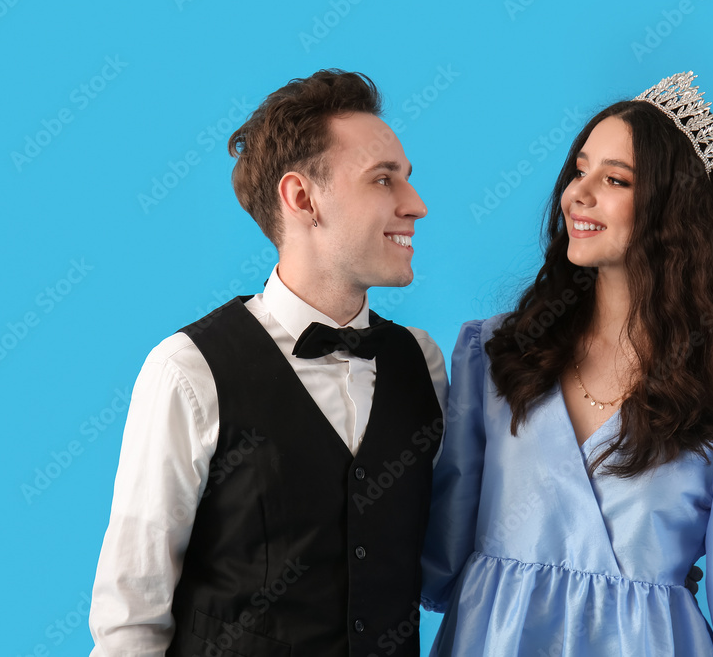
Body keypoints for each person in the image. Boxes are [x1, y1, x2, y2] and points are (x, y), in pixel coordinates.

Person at [421, 72, 713, 655]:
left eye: (615, 180)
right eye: (579, 169)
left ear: (678, 211)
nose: (576, 194)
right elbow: (439, 548)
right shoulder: (496, 353)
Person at [89, 69, 448, 657]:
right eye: (384, 180)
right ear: (302, 198)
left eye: (407, 179)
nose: (416, 205)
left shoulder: (423, 362)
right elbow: (131, 618)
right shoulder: (188, 369)